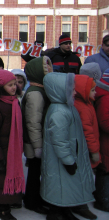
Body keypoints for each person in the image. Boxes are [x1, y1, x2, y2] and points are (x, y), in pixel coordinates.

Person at [41, 72, 95, 220]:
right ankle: (55, 213)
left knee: (65, 187)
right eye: (71, 90)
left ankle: (64, 210)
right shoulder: (59, 112)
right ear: (59, 91)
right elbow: (60, 141)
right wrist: (68, 160)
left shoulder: (66, 107)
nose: (75, 92)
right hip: (62, 160)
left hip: (70, 156)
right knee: (60, 186)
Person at [0, 70, 25, 220]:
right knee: (0, 178)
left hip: (12, 149)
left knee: (10, 175)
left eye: (15, 84)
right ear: (1, 87)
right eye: (10, 85)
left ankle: (9, 200)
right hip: (1, 151)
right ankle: (0, 207)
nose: (14, 87)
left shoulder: (15, 102)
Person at [21, 56, 52, 215]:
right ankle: (31, 201)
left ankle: (35, 198)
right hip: (34, 143)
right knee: (34, 172)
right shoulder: (35, 94)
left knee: (36, 171)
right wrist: (38, 146)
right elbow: (33, 123)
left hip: (35, 141)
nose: (50, 70)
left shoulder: (39, 90)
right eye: (46, 68)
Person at [72, 74, 100, 219]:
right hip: (84, 151)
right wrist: (94, 150)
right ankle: (80, 205)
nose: (95, 93)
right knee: (82, 179)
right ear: (83, 91)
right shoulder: (81, 107)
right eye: (92, 90)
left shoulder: (87, 103)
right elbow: (87, 131)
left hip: (85, 150)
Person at [94, 68, 109, 212]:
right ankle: (103, 199)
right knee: (105, 171)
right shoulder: (105, 98)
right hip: (105, 143)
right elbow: (104, 121)